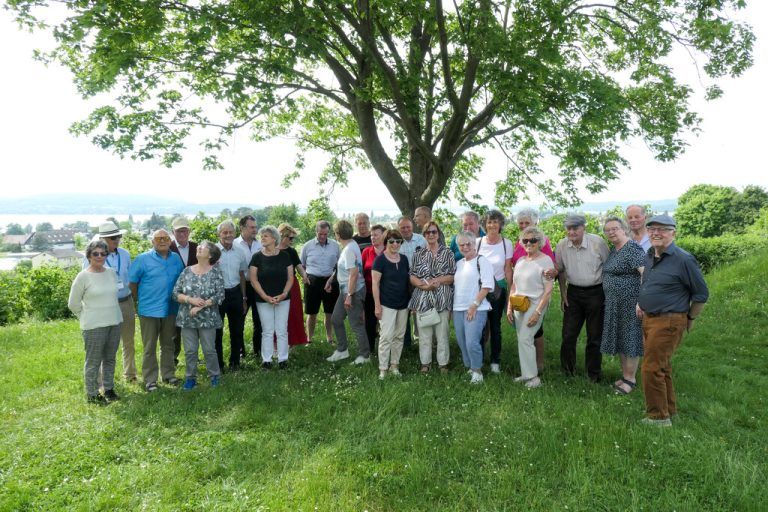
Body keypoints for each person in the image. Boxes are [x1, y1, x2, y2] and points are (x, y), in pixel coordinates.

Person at [637, 214, 708, 427]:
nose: (656, 233)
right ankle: (670, 410)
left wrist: (691, 317)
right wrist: (642, 302)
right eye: (652, 229)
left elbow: (701, 294)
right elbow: (649, 282)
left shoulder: (683, 259)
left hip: (668, 320)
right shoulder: (650, 254)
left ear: (673, 233)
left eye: (662, 229)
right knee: (662, 367)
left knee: (650, 369)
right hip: (649, 319)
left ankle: (658, 418)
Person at [555, 213, 610, 382]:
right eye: (568, 229)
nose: (571, 232)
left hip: (596, 292)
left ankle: (593, 374)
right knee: (568, 335)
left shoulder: (597, 242)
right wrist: (563, 294)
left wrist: (607, 294)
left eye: (575, 228)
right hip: (573, 293)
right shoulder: (562, 245)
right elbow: (560, 271)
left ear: (583, 228)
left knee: (594, 336)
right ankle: (567, 371)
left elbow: (608, 267)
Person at [129, 229, 185, 391]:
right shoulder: (142, 259)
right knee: (149, 347)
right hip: (149, 310)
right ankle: (150, 379)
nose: (162, 241)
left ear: (170, 241)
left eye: (166, 238)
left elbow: (181, 280)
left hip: (171, 309)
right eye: (158, 238)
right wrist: (137, 302)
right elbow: (132, 283)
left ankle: (168, 375)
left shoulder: (175, 258)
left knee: (168, 344)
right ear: (152, 242)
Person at [69, 240, 123, 404]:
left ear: (107, 255)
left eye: (103, 253)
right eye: (96, 253)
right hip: (93, 326)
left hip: (114, 322)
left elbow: (116, 294)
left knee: (110, 358)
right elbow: (73, 304)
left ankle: (109, 389)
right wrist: (86, 316)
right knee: (93, 361)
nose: (100, 257)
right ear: (89, 255)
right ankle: (92, 394)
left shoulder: (112, 273)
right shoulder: (83, 276)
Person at [600, 216, 645, 395]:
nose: (611, 232)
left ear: (624, 229)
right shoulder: (615, 250)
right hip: (614, 303)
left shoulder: (632, 248)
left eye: (615, 228)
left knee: (630, 339)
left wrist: (641, 301)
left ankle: (631, 380)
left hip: (630, 304)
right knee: (620, 338)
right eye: (608, 230)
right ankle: (625, 375)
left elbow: (645, 274)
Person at [172, 241, 225, 390]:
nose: (199, 248)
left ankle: (214, 376)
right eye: (199, 246)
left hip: (208, 319)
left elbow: (220, 295)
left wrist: (200, 307)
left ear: (211, 255)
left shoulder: (216, 272)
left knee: (209, 349)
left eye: (203, 247)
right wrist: (190, 300)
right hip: (187, 318)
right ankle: (190, 378)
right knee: (190, 351)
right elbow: (175, 293)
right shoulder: (187, 271)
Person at [506, 227, 554, 389]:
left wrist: (538, 312)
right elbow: (514, 285)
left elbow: (548, 290)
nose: (529, 243)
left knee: (525, 339)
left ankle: (533, 378)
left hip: (535, 304)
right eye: (525, 240)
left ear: (540, 242)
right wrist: (509, 306)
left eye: (533, 240)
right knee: (522, 339)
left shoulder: (546, 260)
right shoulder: (520, 261)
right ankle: (526, 373)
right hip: (519, 304)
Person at [90, 221, 136, 383]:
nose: (117, 240)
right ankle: (102, 381)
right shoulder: (94, 256)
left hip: (126, 301)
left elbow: (130, 277)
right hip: (106, 305)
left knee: (129, 341)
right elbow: (87, 278)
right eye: (113, 237)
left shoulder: (125, 254)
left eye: (119, 236)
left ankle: (130, 375)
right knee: (105, 344)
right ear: (103, 239)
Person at [409, 221, 456, 373]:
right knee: (424, 335)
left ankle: (443, 364)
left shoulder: (447, 253)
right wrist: (425, 286)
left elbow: (452, 276)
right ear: (424, 235)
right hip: (423, 299)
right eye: (428, 232)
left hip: (442, 298)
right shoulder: (418, 254)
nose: (431, 235)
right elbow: (412, 276)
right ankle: (425, 363)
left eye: (434, 232)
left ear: (438, 234)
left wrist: (437, 281)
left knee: (442, 334)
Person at [326, 219, 371, 364]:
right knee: (336, 319)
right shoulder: (350, 246)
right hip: (345, 290)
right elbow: (345, 269)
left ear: (338, 234)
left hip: (353, 291)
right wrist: (332, 279)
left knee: (356, 324)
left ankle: (365, 356)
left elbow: (354, 273)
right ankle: (342, 350)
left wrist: (350, 296)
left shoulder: (350, 249)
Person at [249, 226, 294, 369]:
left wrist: (284, 294)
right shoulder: (256, 257)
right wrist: (265, 296)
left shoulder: (285, 256)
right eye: (262, 236)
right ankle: (266, 360)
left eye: (266, 236)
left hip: (283, 298)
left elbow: (290, 278)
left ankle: (283, 360)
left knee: (281, 329)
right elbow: (253, 279)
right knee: (267, 330)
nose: (262, 238)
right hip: (263, 300)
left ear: (274, 239)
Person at [452, 231, 494, 384]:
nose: (465, 247)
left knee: (472, 341)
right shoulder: (459, 264)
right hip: (458, 307)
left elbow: (488, 285)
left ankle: (477, 371)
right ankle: (469, 367)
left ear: (474, 244)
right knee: (462, 341)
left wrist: (474, 305)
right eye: (461, 244)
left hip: (477, 307)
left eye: (468, 243)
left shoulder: (482, 261)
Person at [475, 209, 514, 374]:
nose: (492, 225)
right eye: (489, 222)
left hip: (498, 291)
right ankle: (479, 358)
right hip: (480, 290)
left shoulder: (506, 243)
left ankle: (495, 361)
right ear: (484, 225)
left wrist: (510, 296)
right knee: (480, 326)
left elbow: (508, 269)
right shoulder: (477, 242)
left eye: (495, 222)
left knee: (495, 326)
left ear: (500, 225)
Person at [372, 229, 411, 379]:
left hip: (403, 304)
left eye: (398, 241)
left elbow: (407, 282)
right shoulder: (380, 260)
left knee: (399, 336)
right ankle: (383, 368)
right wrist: (377, 305)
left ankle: (394, 365)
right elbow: (375, 284)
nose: (395, 244)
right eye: (391, 241)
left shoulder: (404, 259)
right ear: (386, 242)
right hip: (386, 304)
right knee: (386, 336)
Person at [214, 220, 249, 372]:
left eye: (231, 232)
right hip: (218, 295)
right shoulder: (212, 251)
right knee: (217, 331)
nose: (228, 235)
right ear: (219, 234)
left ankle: (235, 362)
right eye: (225, 232)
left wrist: (244, 298)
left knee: (237, 330)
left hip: (235, 293)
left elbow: (242, 275)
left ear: (235, 233)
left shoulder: (240, 251)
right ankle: (218, 364)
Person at [300, 220, 341, 344]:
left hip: (331, 281)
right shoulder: (307, 246)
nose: (323, 237)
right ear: (316, 232)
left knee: (330, 312)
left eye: (325, 234)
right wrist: (305, 277)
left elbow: (339, 265)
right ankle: (309, 339)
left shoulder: (335, 246)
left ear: (329, 233)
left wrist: (334, 277)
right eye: (320, 234)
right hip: (312, 282)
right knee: (311, 313)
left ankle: (330, 338)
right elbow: (301, 265)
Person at [169, 216, 197, 366]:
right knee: (175, 330)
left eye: (185, 230)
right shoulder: (168, 248)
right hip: (175, 295)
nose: (182, 234)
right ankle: (173, 358)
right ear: (173, 232)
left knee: (194, 327)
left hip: (194, 296)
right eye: (179, 231)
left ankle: (193, 356)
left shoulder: (196, 247)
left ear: (189, 231)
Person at [235, 215, 263, 358]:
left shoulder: (261, 244)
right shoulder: (234, 244)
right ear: (242, 228)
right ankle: (240, 352)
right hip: (240, 285)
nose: (255, 230)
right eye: (252, 227)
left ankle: (258, 351)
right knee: (239, 320)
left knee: (259, 320)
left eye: (255, 227)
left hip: (258, 285)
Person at [277, 223, 308, 347]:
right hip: (276, 285)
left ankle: (292, 342)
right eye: (290, 238)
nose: (292, 241)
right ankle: (277, 343)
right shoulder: (272, 250)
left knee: (293, 313)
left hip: (292, 285)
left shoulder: (292, 251)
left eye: (293, 238)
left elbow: (299, 267)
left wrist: (305, 276)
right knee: (278, 314)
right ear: (282, 236)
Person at [397, 216, 426, 348]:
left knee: (420, 311)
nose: (406, 229)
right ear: (399, 229)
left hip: (419, 280)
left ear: (412, 226)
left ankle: (421, 339)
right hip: (402, 282)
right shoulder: (396, 242)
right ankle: (406, 342)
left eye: (408, 226)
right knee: (404, 312)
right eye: (403, 227)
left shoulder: (421, 239)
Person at [361, 224, 386, 352]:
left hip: (386, 294)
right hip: (369, 293)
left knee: (386, 324)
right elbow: (361, 272)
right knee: (369, 323)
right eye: (371, 235)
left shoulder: (389, 250)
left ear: (383, 235)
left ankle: (386, 349)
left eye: (376, 235)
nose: (373, 237)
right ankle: (370, 349)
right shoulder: (366, 252)